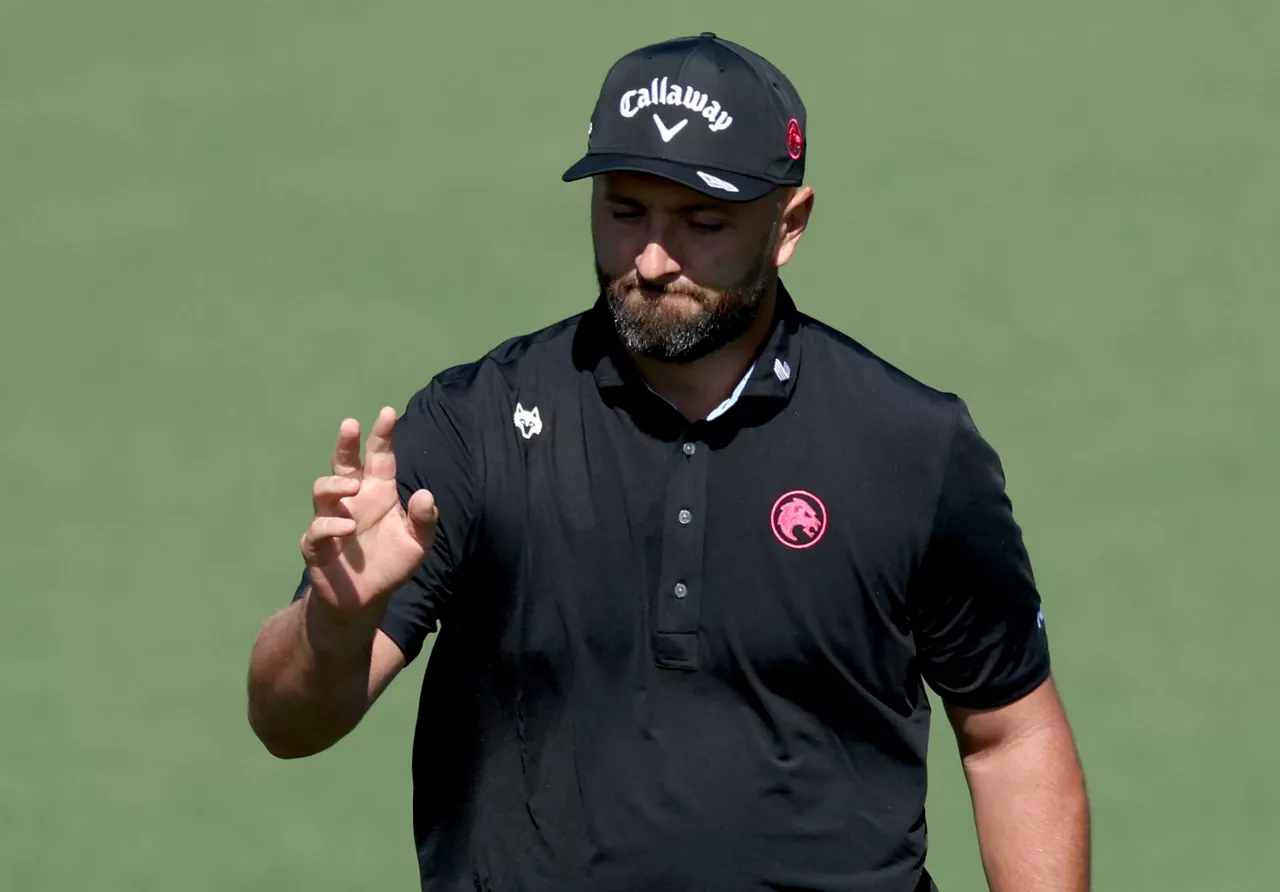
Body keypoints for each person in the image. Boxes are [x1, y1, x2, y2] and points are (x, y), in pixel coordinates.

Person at [247, 32, 1090, 892]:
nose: (652, 260)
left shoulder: (910, 447)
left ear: (788, 226)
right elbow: (288, 721)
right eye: (624, 212)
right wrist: (334, 625)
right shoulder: (476, 428)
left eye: (703, 221)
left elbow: (1010, 737)